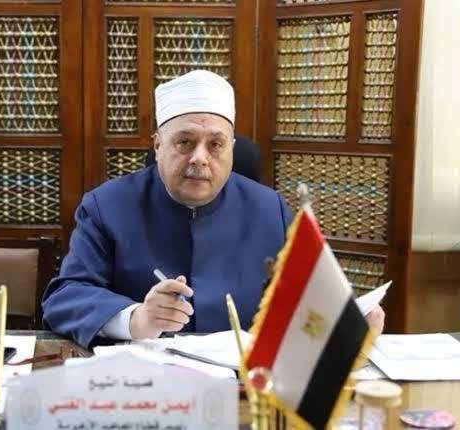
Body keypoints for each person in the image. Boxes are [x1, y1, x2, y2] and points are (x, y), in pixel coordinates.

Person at [42, 70, 385, 347]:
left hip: (243, 385)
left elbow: (310, 299)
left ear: (232, 149)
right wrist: (136, 319)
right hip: (143, 384)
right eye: (185, 142)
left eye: (215, 144)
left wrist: (345, 324)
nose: (199, 158)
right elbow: (66, 297)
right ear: (158, 145)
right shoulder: (106, 206)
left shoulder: (270, 209)